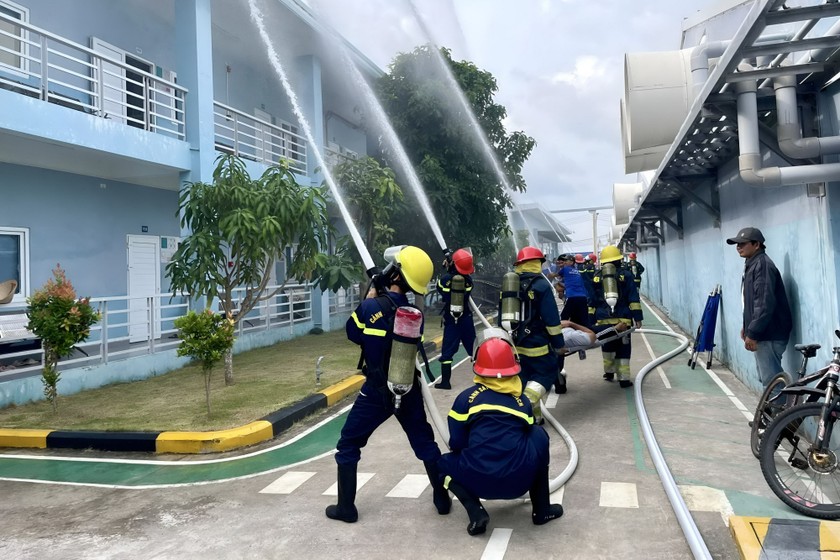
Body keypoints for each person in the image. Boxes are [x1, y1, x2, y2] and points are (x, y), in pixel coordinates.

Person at [326, 245, 451, 523]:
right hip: (407, 386)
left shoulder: (371, 307)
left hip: (376, 391)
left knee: (348, 444)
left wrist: (371, 296)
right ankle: (442, 498)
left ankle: (346, 508)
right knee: (425, 443)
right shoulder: (412, 313)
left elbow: (353, 333)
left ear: (396, 274)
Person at [436, 329, 564, 535]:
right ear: (514, 366)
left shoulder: (465, 399)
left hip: (476, 481)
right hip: (519, 482)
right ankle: (542, 510)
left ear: (477, 366)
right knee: (539, 436)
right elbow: (527, 435)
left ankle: (475, 510)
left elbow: (456, 443)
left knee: (441, 465)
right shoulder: (522, 402)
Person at [499, 246, 565, 423]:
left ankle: (534, 418)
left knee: (524, 378)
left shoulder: (509, 286)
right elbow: (551, 319)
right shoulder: (542, 285)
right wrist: (559, 343)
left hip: (514, 344)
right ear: (537, 263)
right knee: (547, 373)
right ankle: (525, 405)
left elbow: (501, 317)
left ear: (519, 264)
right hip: (537, 344)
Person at [726, 227, 792, 387]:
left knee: (772, 384)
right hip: (764, 332)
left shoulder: (762, 265)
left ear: (757, 245)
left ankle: (780, 412)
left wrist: (753, 332)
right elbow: (752, 301)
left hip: (768, 334)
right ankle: (777, 411)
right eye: (737, 244)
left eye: (742, 244)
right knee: (768, 380)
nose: (738, 247)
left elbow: (763, 303)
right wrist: (747, 327)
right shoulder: (753, 264)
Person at [587, 245, 643, 388]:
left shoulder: (597, 276)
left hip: (602, 319)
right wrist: (638, 317)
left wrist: (591, 320)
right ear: (619, 259)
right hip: (623, 319)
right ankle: (624, 379)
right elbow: (633, 298)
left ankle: (609, 372)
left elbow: (592, 300)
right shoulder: (627, 275)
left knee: (607, 345)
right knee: (623, 348)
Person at [434, 248, 477, 390]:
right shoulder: (469, 281)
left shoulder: (446, 279)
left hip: (452, 319)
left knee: (447, 352)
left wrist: (447, 269)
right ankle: (484, 378)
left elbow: (439, 287)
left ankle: (445, 382)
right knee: (474, 349)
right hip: (466, 318)